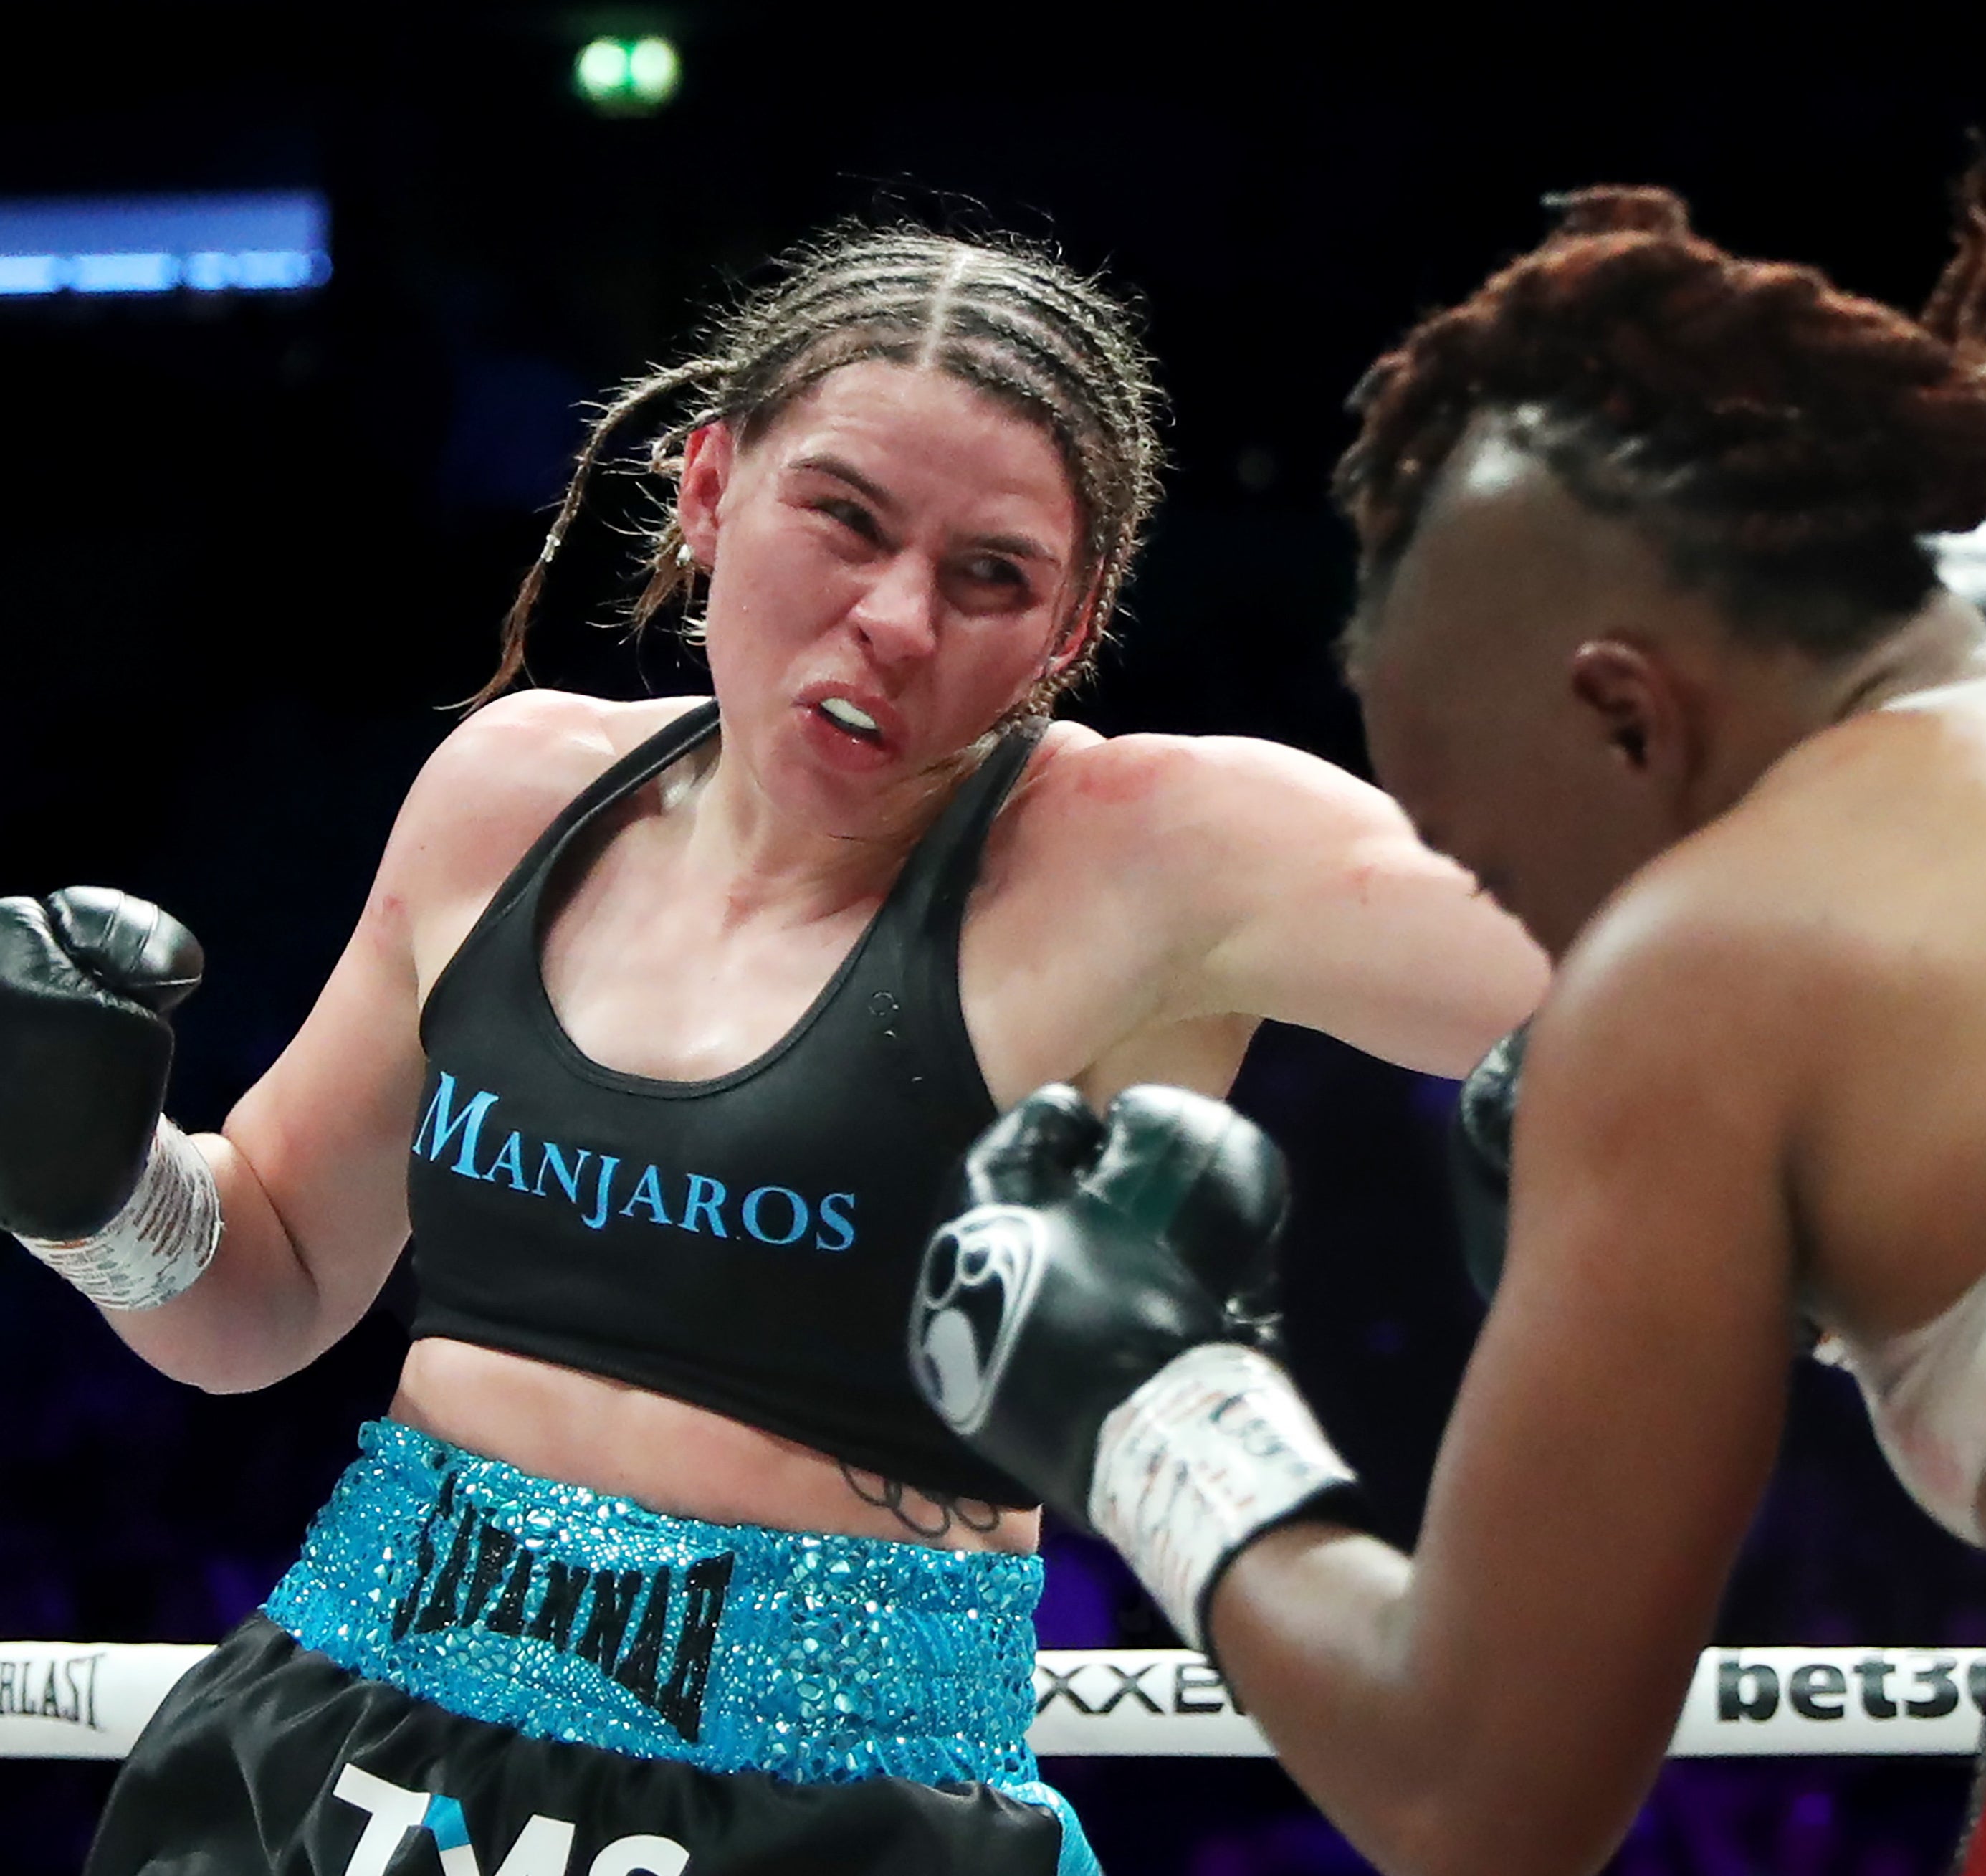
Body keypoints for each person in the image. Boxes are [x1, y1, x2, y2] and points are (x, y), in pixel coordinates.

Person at [912, 162, 1986, 1876]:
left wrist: (1153, 1407)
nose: (1531, 924)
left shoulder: (1707, 959)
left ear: (1626, 711)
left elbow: (1481, 1798)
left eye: (1499, 848)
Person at [0, 226, 1547, 1875]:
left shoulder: (1161, 852)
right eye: (847, 518)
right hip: (343, 1752)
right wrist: (90, 1184)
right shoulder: (513, 789)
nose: (893, 618)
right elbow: (270, 1280)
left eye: (990, 576)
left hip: (833, 1808)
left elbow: (1663, 977)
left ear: (1071, 623)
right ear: (713, 485)